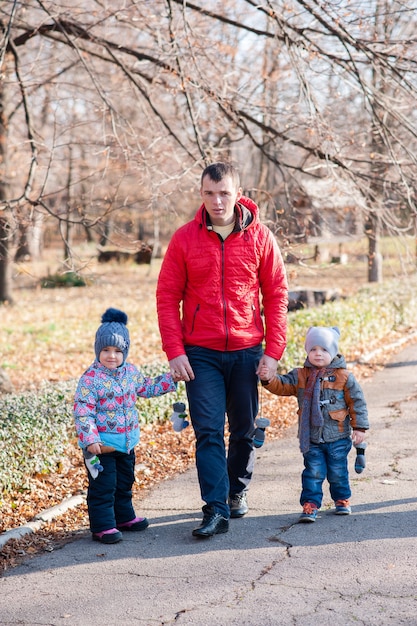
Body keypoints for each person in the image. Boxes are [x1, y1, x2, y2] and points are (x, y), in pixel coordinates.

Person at [156, 162, 288, 538]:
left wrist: (273, 352)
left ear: (237, 192)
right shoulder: (184, 239)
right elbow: (167, 297)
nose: (217, 201)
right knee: (209, 430)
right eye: (210, 193)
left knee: (244, 430)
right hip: (200, 353)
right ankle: (214, 508)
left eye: (224, 193)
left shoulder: (261, 238)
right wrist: (174, 351)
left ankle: (236, 491)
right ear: (201, 194)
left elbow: (276, 295)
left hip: (248, 351)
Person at [73, 307, 176, 544]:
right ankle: (103, 526)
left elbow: (147, 388)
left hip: (127, 442)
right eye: (106, 350)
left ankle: (124, 517)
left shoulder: (130, 372)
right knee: (104, 486)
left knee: (125, 481)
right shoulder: (90, 379)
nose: (112, 356)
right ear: (97, 350)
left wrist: (171, 379)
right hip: (101, 446)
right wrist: (90, 439)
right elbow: (83, 411)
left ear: (126, 352)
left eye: (118, 351)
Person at [259, 326, 369, 523]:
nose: (318, 353)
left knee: (337, 472)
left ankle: (342, 499)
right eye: (313, 349)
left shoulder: (344, 377)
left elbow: (357, 403)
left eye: (324, 349)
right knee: (313, 472)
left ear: (333, 352)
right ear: (307, 352)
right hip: (311, 437)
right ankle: (310, 504)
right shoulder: (300, 375)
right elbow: (282, 385)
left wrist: (359, 428)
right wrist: (268, 378)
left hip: (338, 435)